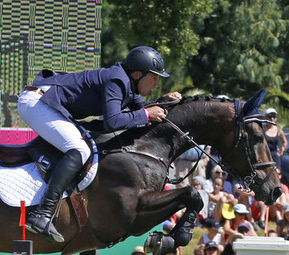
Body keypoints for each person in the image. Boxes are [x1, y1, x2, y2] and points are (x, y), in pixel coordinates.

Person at [17, 46, 180, 242]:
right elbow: (113, 121)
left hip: (48, 103)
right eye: (154, 77)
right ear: (138, 74)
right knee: (79, 149)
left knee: (81, 146)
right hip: (38, 102)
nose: (156, 82)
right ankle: (42, 214)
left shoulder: (127, 84)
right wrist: (146, 114)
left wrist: (163, 102)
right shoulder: (117, 80)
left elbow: (142, 110)